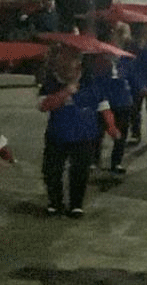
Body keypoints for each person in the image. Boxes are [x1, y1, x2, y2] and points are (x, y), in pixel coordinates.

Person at [38, 46, 120, 218]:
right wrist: (66, 91)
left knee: (80, 170)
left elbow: (103, 106)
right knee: (52, 170)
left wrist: (111, 127)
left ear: (78, 63)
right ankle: (55, 202)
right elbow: (44, 106)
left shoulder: (90, 82)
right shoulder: (51, 83)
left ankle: (76, 204)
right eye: (62, 60)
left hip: (85, 134)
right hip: (57, 134)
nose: (65, 64)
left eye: (70, 60)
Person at [93, 22, 134, 175]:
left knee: (121, 132)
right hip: (107, 95)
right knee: (99, 130)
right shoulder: (103, 53)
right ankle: (94, 160)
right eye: (120, 33)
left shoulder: (127, 54)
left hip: (123, 97)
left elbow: (133, 74)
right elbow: (97, 75)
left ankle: (116, 162)